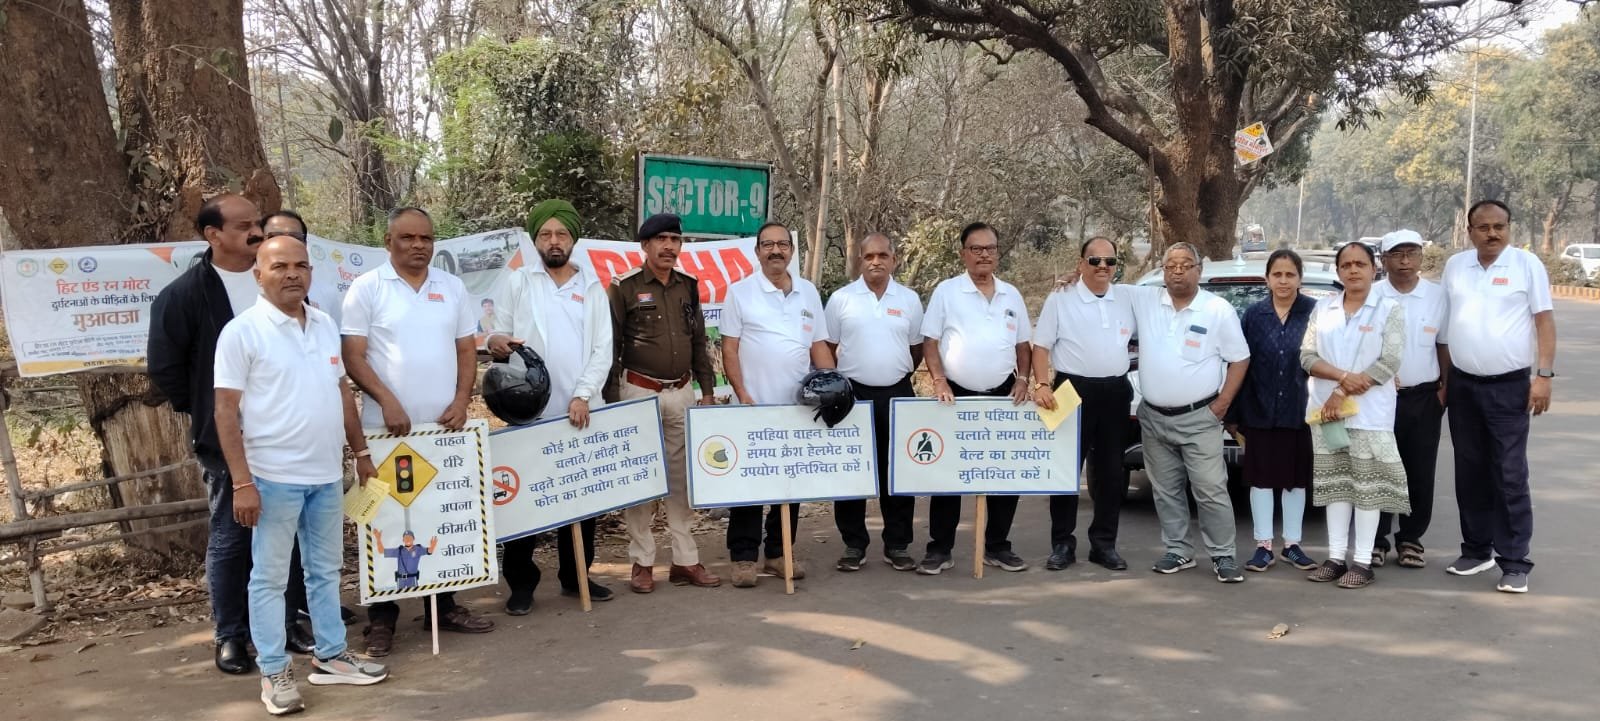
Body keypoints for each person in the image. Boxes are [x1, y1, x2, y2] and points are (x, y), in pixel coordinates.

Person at [212, 236, 388, 715]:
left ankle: (331, 656)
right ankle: (274, 672)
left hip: (326, 475)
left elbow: (341, 393)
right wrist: (243, 482)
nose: (292, 274)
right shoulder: (241, 333)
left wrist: (361, 452)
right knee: (268, 579)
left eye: (300, 266)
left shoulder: (325, 324)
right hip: (271, 478)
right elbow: (225, 412)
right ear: (258, 275)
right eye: (280, 266)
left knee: (325, 571)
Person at [148, 194, 314, 674]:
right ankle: (231, 636)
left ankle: (286, 624)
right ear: (213, 235)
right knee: (232, 536)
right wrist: (207, 410)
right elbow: (166, 367)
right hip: (228, 440)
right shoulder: (184, 295)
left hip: (288, 435)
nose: (256, 234)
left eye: (258, 226)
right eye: (244, 228)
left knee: (290, 536)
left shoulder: (278, 282)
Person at [341, 206, 494, 657]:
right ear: (388, 242)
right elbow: (353, 355)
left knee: (438, 518)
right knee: (384, 522)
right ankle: (382, 620)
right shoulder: (366, 289)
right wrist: (387, 399)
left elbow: (466, 349)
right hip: (384, 432)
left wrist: (462, 399)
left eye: (426, 238)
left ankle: (442, 607)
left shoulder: (452, 287)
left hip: (442, 430)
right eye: (407, 238)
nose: (418, 246)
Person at [487, 199, 615, 613]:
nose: (554, 241)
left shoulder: (592, 286)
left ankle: (575, 575)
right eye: (546, 234)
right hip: (529, 412)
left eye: (561, 234)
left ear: (573, 239)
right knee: (525, 499)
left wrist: (582, 394)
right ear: (535, 239)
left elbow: (602, 349)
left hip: (580, 409)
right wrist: (496, 342)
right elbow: (499, 334)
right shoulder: (519, 282)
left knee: (581, 498)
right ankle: (521, 584)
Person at [1441, 200, 1556, 594]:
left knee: (1508, 473)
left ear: (1509, 228)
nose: (1492, 233)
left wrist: (1543, 376)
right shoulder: (1456, 266)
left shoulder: (1527, 266)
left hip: (1510, 386)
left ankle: (1514, 561)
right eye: (1483, 227)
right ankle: (1476, 550)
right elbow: (1446, 327)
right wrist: (1444, 380)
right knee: (1469, 470)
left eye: (1499, 226)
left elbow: (1544, 321)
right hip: (1463, 386)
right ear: (1469, 230)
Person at [604, 213, 722, 593]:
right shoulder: (623, 288)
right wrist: (612, 403)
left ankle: (686, 561)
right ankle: (642, 562)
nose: (669, 246)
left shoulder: (688, 286)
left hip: (683, 392)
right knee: (642, 477)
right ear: (645, 245)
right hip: (639, 393)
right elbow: (612, 348)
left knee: (680, 478)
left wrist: (707, 390)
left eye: (675, 239)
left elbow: (699, 342)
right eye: (661, 239)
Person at [1125, 243, 1250, 583]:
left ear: (1199, 270)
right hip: (1154, 417)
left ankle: (1223, 555)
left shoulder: (1217, 309)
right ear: (1163, 271)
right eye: (1170, 265)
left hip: (1200, 418)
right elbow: (1100, 286)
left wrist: (1222, 405)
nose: (1177, 270)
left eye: (1185, 264)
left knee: (1210, 488)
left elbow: (1239, 359)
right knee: (1165, 490)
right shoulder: (1145, 300)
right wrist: (1073, 278)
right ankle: (1179, 551)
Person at [722, 221, 835, 588]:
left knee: (791, 484)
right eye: (767, 245)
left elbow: (818, 345)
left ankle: (778, 553)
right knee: (750, 485)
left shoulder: (807, 293)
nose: (775, 251)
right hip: (754, 406)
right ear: (757, 252)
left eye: (782, 244)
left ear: (791, 250)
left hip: (799, 408)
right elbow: (730, 348)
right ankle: (743, 558)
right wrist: (743, 394)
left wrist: (834, 386)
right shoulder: (739, 293)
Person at [919, 222, 1034, 575]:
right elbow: (930, 342)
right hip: (956, 395)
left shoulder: (1011, 294)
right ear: (963, 253)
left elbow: (1023, 346)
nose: (984, 254)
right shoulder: (947, 292)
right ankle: (940, 548)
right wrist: (939, 380)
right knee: (950, 475)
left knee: (1003, 473)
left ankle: (997, 546)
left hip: (1003, 396)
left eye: (990, 248)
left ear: (998, 253)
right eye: (976, 248)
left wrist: (1024, 379)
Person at [1300, 241, 1410, 589]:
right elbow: (1307, 356)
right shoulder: (1324, 308)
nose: (1352, 270)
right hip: (1327, 413)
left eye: (1359, 264)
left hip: (1368, 414)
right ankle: (1335, 557)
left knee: (1366, 488)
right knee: (1336, 486)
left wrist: (1342, 390)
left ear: (1373, 267)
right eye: (1345, 265)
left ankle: (1362, 562)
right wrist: (1342, 378)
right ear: (1338, 272)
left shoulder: (1388, 308)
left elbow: (1389, 362)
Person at [1030, 237, 1135, 571]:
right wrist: (1042, 383)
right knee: (1065, 470)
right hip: (1071, 390)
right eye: (1094, 261)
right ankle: (1062, 543)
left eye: (1110, 261)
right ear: (1080, 264)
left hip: (1115, 392)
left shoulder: (1129, 297)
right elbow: (1041, 346)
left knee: (1109, 473)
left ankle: (1103, 545)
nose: (1103, 267)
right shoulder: (1061, 298)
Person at [822, 233, 923, 572]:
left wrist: (894, 371)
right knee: (852, 470)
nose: (876, 261)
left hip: (897, 393)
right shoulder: (840, 299)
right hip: (853, 396)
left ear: (894, 260)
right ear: (859, 261)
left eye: (882, 255)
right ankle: (853, 544)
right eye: (869, 256)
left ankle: (897, 543)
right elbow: (828, 347)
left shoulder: (909, 300)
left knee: (897, 471)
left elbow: (916, 348)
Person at [1230, 249, 1317, 573]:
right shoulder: (1253, 315)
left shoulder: (1314, 313)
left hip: (1300, 411)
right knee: (1262, 480)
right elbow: (1240, 364)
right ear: (1267, 278)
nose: (1283, 280)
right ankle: (1263, 546)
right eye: (1277, 274)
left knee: (1295, 480)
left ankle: (1292, 544)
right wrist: (1234, 414)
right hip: (1259, 410)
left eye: (1290, 274)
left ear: (1299, 278)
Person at [1373, 229, 1451, 569]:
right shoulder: (1370, 295)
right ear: (1384, 259)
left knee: (1418, 470)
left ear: (1421, 257)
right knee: (1378, 469)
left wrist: (1444, 390)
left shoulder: (1437, 297)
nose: (1405, 261)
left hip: (1423, 398)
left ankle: (1411, 539)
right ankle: (1375, 541)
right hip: (1377, 397)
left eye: (1411, 253)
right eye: (1397, 254)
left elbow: (1444, 345)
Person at [261, 209, 342, 322]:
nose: (286, 243)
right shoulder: (244, 291)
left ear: (305, 243)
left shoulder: (326, 292)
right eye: (276, 236)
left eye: (295, 237)